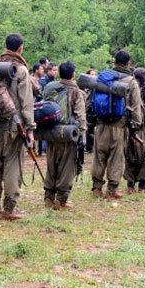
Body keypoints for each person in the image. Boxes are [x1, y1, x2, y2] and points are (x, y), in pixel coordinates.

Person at [0, 34, 35, 220]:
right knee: (13, 166)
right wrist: (30, 129)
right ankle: (9, 208)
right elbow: (26, 102)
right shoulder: (20, 70)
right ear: (20, 48)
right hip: (14, 128)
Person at [90, 50, 142, 199]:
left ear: (115, 61)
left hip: (100, 123)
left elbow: (91, 100)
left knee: (99, 156)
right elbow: (136, 106)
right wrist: (136, 125)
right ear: (128, 63)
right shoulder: (131, 81)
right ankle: (112, 189)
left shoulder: (103, 77)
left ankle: (97, 188)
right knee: (116, 157)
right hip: (119, 125)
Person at [42, 61, 86, 209]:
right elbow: (80, 115)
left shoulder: (50, 87)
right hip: (67, 133)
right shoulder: (76, 91)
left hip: (50, 132)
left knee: (51, 164)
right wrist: (82, 133)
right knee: (67, 167)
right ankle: (61, 200)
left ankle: (48, 197)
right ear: (73, 74)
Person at [124, 68, 145, 193]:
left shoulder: (129, 90)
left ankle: (130, 186)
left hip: (131, 129)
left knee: (131, 158)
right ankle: (142, 188)